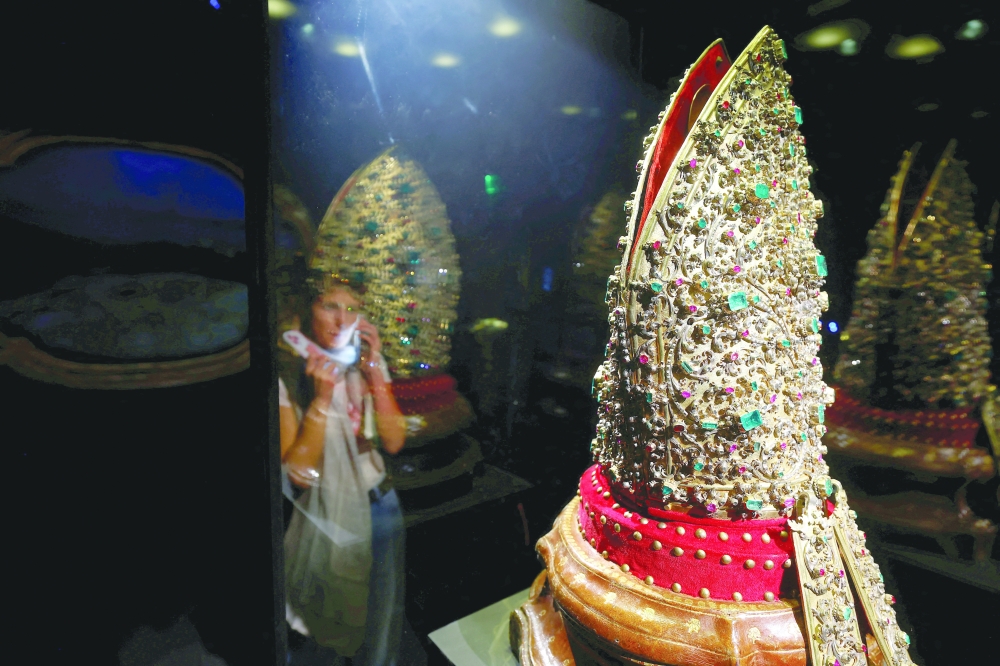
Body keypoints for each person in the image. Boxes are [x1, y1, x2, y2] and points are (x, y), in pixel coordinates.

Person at [278, 277, 407, 666]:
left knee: (380, 614)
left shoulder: (365, 364)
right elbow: (297, 472)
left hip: (380, 503)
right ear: (308, 312)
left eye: (351, 309)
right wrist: (320, 399)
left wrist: (375, 372)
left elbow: (394, 440)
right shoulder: (288, 375)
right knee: (325, 621)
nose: (341, 320)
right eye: (329, 306)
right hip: (325, 514)